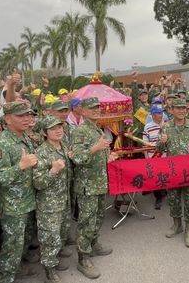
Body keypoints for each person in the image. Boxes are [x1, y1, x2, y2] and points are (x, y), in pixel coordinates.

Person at [0, 101, 38, 283]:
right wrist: (20, 166)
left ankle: (16, 268)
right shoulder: (1, 144)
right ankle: (5, 277)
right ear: (8, 119)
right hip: (13, 205)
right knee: (12, 245)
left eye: (29, 115)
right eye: (21, 116)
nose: (27, 119)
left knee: (23, 241)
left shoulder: (24, 137)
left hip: (28, 199)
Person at [70, 97, 114, 279]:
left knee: (98, 217)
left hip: (99, 183)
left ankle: (94, 242)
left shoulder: (97, 129)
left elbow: (100, 153)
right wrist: (95, 149)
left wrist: (108, 156)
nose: (96, 110)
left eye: (98, 107)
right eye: (92, 108)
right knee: (86, 222)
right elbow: (77, 158)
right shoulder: (80, 131)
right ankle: (83, 258)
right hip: (87, 186)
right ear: (83, 111)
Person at [157, 98, 189, 248]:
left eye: (183, 108)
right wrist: (162, 142)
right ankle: (177, 225)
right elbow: (158, 150)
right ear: (171, 110)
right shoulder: (166, 127)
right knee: (173, 199)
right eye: (177, 108)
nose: (181, 111)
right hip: (173, 171)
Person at [33, 116, 71, 283]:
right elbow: (38, 182)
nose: (58, 130)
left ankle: (54, 260)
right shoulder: (41, 152)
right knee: (50, 237)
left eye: (60, 127)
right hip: (49, 203)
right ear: (45, 133)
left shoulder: (64, 147)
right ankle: (49, 270)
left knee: (62, 233)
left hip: (64, 198)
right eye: (53, 128)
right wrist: (53, 170)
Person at [143, 105, 166, 210]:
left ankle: (164, 190)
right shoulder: (147, 127)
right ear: (152, 115)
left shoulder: (167, 125)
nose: (160, 115)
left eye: (161, 113)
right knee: (157, 177)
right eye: (158, 113)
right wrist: (147, 158)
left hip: (166, 156)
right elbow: (145, 144)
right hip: (153, 156)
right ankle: (158, 197)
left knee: (165, 175)